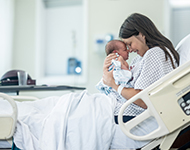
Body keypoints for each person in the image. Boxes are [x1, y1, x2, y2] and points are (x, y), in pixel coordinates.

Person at [103, 13, 179, 148]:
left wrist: (113, 85)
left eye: (130, 44)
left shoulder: (155, 53)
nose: (129, 50)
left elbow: (142, 100)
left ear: (142, 34)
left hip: (131, 115)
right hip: (118, 107)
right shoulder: (141, 57)